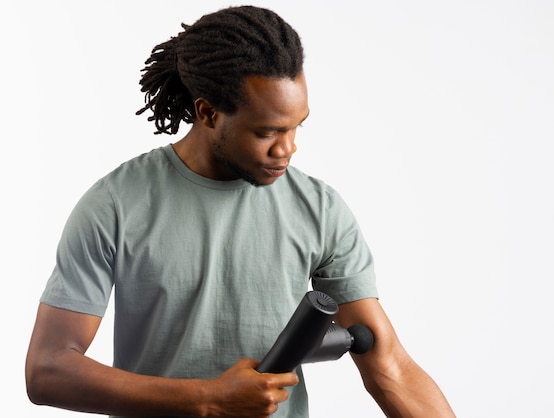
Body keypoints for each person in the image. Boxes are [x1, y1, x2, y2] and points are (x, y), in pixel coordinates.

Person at [25, 5, 455, 418]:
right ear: (208, 112)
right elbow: (48, 369)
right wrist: (207, 399)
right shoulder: (115, 205)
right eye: (266, 132)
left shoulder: (320, 211)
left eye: (295, 126)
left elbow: (389, 366)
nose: (287, 149)